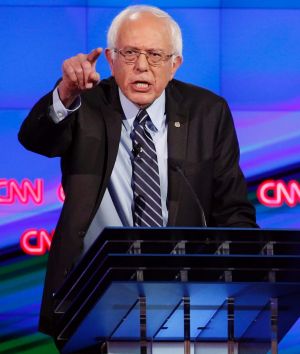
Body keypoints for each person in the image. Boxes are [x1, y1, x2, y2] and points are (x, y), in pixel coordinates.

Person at [18, 4, 257, 342]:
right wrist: (66, 93)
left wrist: (242, 274)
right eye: (129, 54)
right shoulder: (85, 103)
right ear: (111, 60)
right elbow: (34, 139)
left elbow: (233, 210)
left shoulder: (207, 112)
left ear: (175, 65)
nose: (142, 66)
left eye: (155, 55)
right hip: (92, 296)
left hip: (184, 300)